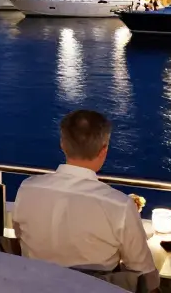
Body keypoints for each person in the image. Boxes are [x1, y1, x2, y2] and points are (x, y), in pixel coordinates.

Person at [13, 110, 158, 292]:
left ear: (62, 144)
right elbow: (143, 272)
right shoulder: (119, 205)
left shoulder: (28, 189)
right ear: (104, 150)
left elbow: (20, 237)